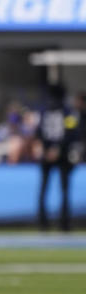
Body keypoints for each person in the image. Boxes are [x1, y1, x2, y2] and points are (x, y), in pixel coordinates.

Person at [35, 89, 83, 231]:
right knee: (63, 190)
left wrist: (47, 149)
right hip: (62, 156)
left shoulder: (44, 112)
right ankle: (63, 223)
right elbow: (72, 133)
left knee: (45, 189)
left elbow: (39, 132)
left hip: (48, 154)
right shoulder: (67, 112)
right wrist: (57, 149)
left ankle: (43, 223)